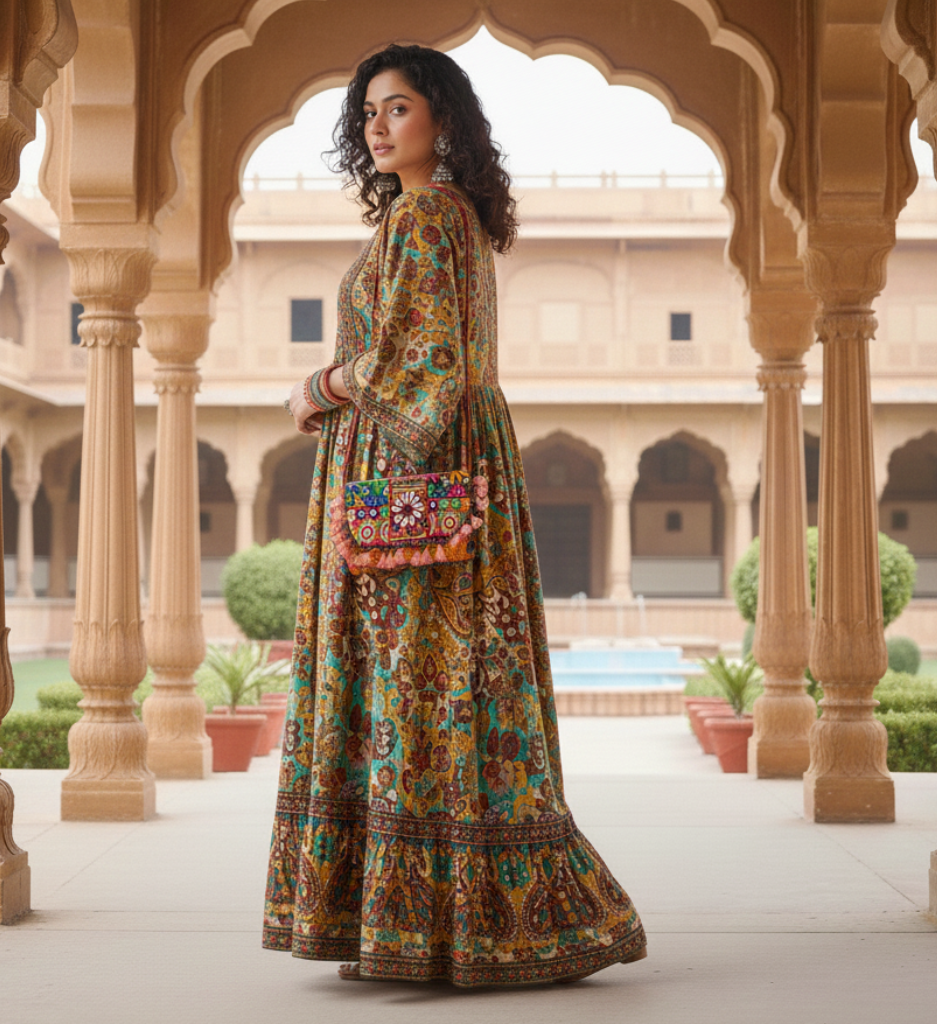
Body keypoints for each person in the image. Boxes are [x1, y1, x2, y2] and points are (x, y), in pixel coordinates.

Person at [264, 42, 646, 987]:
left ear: (444, 118)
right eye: (368, 115)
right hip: (454, 469)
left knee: (411, 686)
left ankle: (430, 923)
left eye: (398, 108)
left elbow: (413, 367)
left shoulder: (425, 218)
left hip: (408, 477)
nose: (378, 127)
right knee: (449, 691)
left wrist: (313, 386)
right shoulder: (455, 220)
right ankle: (454, 920)